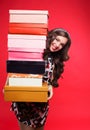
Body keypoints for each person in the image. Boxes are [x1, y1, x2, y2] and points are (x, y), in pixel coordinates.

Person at [11, 28, 71, 130]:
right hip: (25, 102)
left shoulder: (54, 58)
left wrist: (50, 85)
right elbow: (17, 67)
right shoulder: (35, 51)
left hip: (41, 104)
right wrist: (9, 83)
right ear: (51, 36)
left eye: (62, 44)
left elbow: (49, 78)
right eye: (57, 40)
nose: (57, 45)